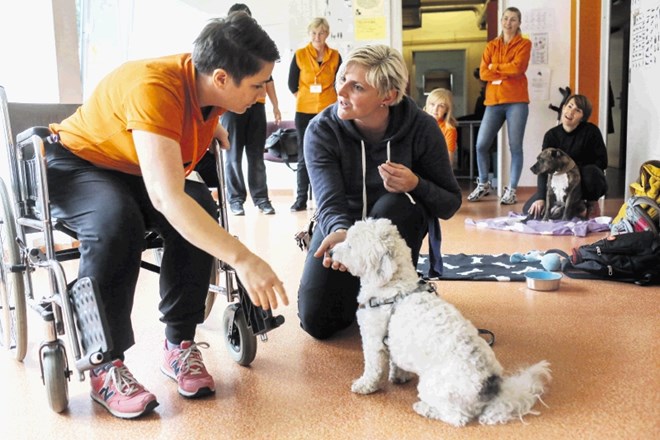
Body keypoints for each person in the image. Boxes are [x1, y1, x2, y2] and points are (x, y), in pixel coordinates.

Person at [45, 13, 289, 419]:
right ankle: (105, 366)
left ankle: (179, 345)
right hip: (78, 164)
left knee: (200, 211)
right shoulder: (155, 87)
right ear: (223, 78)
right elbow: (165, 195)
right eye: (258, 84)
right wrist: (244, 259)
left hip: (132, 166)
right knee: (115, 223)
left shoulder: (208, 89)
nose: (264, 94)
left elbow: (174, 161)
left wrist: (212, 129)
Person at [296, 45, 462, 340]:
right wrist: (340, 231)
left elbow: (449, 203)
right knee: (317, 322)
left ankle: (397, 290)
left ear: (388, 96)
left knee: (394, 206)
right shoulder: (321, 130)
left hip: (394, 225)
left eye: (356, 86)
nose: (341, 91)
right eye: (342, 78)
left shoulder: (422, 128)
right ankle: (368, 294)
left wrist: (415, 184)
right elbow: (329, 202)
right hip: (342, 227)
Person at [467, 6, 531, 205]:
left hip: (516, 102)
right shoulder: (492, 46)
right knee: (481, 144)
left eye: (513, 19)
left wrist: (495, 68)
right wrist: (502, 70)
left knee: (515, 147)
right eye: (505, 18)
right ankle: (484, 183)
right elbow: (484, 73)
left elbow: (518, 67)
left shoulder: (524, 44)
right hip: (493, 101)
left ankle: (511, 190)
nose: (508, 23)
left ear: (519, 22)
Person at [221, 3, 281, 216]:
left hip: (256, 106)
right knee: (233, 155)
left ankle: (261, 200)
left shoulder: (258, 46)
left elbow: (269, 78)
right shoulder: (224, 45)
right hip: (231, 108)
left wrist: (275, 105)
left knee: (256, 155)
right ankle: (236, 200)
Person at [523, 94, 608, 219]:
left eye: (577, 110)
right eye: (570, 106)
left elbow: (602, 162)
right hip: (559, 185)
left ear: (583, 117)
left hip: (584, 182)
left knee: (591, 172)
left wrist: (573, 169)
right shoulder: (551, 135)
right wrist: (541, 197)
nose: (571, 112)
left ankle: (591, 204)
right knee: (529, 211)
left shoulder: (591, 131)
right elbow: (543, 166)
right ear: (563, 108)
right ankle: (574, 207)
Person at [288, 17, 342, 212]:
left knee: (329, 154)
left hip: (328, 111)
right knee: (304, 156)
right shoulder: (300, 55)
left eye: (321, 33)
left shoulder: (335, 56)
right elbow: (291, 84)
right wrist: (308, 97)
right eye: (314, 33)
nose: (317, 37)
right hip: (304, 111)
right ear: (309, 34)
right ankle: (301, 199)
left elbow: (340, 82)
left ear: (327, 34)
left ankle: (327, 199)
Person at [424, 88, 457, 166]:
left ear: (446, 110)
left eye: (441, 106)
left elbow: (448, 163)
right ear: (427, 105)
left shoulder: (449, 130)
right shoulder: (417, 123)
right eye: (432, 104)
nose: (435, 109)